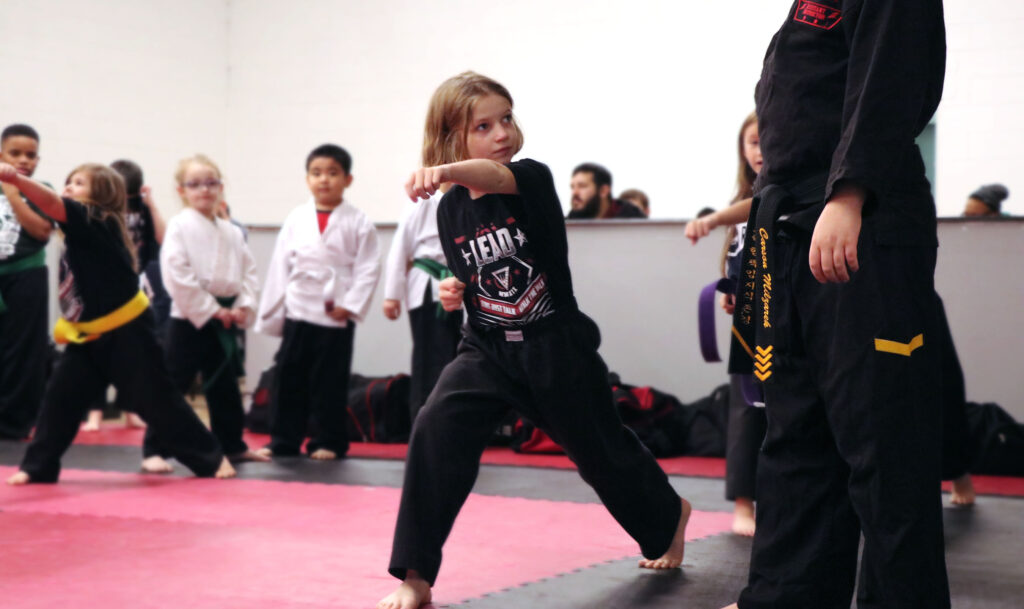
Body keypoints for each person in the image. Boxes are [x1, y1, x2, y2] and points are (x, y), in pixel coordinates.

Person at [377, 71, 690, 609]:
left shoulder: (529, 178)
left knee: (600, 453)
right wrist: (456, 291)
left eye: (506, 118)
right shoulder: (449, 208)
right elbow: (478, 273)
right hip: (486, 350)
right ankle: (415, 574)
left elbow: (490, 176)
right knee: (435, 427)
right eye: (483, 125)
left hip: (554, 346)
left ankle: (669, 513)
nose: (501, 131)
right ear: (451, 134)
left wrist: (444, 168)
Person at [723, 2, 949, 608]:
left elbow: (892, 78)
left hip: (860, 222)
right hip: (789, 224)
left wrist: (849, 193)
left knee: (883, 445)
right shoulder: (802, 11)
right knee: (795, 435)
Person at [1, 162, 234, 484]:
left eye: (78, 183)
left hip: (128, 333)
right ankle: (37, 467)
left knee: (157, 399)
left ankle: (211, 458)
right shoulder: (76, 231)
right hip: (89, 335)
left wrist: (15, 179)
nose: (68, 187)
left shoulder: (96, 219)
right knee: (59, 400)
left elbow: (52, 203)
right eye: (68, 182)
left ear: (101, 195)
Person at [139, 154, 267, 473]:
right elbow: (176, 276)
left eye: (211, 183)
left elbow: (248, 272)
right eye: (195, 184)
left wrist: (242, 307)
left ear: (221, 187)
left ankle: (232, 445)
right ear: (181, 190)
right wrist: (210, 310)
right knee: (173, 385)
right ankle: (154, 448)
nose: (204, 190)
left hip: (225, 314)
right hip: (190, 318)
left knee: (225, 384)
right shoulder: (180, 226)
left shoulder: (232, 231)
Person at [254, 144, 380, 460]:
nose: (324, 180)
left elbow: (368, 267)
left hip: (336, 311)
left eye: (333, 173)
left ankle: (329, 441)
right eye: (316, 173)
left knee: (330, 380)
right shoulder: (297, 217)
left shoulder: (359, 221)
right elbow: (280, 266)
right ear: (307, 178)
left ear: (348, 179)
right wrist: (274, 311)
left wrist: (351, 306)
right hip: (298, 306)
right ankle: (283, 440)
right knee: (288, 376)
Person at [686, 112, 765, 537]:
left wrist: (713, 218)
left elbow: (763, 204)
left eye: (768, 141)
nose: (760, 151)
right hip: (751, 331)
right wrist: (732, 291)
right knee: (745, 414)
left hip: (793, 324)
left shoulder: (785, 194)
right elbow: (738, 259)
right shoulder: (741, 203)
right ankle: (743, 504)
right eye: (752, 142)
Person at [82, 159, 164, 432]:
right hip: (103, 287)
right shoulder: (100, 210)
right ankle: (95, 411)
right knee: (97, 347)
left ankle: (130, 409)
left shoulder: (143, 208)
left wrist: (150, 203)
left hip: (135, 286)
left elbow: (163, 239)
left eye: (131, 198)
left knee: (133, 351)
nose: (126, 203)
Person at [382, 191, 462, 423]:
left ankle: (449, 419)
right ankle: (424, 421)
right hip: (428, 286)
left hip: (455, 283)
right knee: (429, 357)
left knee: (453, 354)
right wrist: (392, 295)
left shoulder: (464, 196)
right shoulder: (423, 201)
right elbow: (400, 247)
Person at [0, 124, 53, 440]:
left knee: (23, 350)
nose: (23, 160)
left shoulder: (39, 189)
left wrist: (13, 191)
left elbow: (42, 231)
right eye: (15, 153)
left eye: (31, 155)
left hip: (26, 274)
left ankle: (15, 422)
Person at [566, 163, 645, 219]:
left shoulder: (635, 222)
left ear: (603, 191)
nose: (574, 193)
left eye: (582, 186)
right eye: (572, 187)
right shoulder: (567, 225)